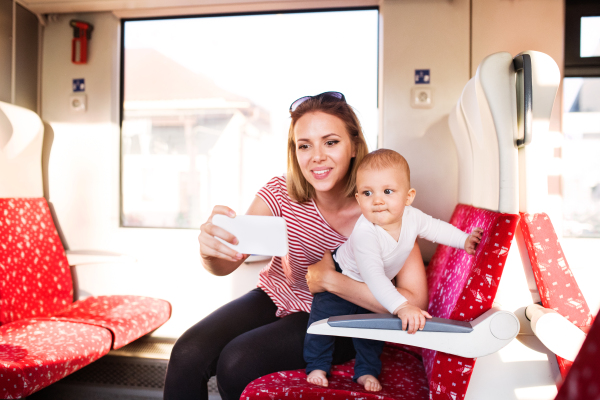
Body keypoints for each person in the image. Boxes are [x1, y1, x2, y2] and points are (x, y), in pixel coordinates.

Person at [163, 92, 430, 400]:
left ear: (354, 147)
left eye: (330, 142)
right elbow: (228, 262)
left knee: (236, 362)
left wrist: (332, 281)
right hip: (277, 295)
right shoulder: (279, 192)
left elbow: (415, 301)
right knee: (186, 353)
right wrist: (210, 253)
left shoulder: (381, 207)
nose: (316, 156)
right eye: (305, 145)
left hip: (340, 317)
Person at [304, 149, 483, 391]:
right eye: (368, 193)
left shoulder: (412, 217)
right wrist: (401, 306)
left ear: (408, 197)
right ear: (358, 199)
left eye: (387, 192)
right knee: (320, 325)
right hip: (343, 276)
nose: (377, 200)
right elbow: (375, 278)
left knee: (372, 334)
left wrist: (464, 241)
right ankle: (317, 365)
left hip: (374, 286)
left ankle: (366, 372)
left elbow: (436, 228)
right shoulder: (365, 233)